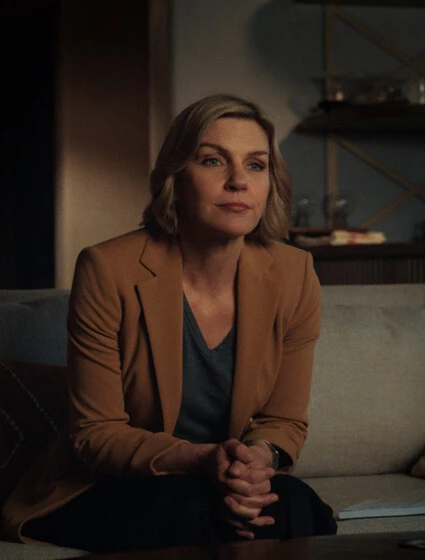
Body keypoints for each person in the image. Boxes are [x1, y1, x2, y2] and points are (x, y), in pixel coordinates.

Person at [0, 94, 337, 552]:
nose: (239, 181)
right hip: (111, 484)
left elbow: (284, 420)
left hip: (218, 484)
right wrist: (202, 459)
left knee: (297, 504)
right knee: (191, 509)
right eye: (213, 160)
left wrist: (255, 462)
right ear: (175, 179)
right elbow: (95, 434)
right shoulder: (108, 269)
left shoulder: (294, 274)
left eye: (256, 165)